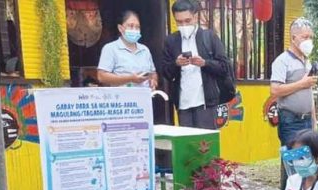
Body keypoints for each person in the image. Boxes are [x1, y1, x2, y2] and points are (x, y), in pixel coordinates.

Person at [161, 0, 230, 129]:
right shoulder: (171, 41)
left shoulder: (209, 37)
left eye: (187, 21)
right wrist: (176, 64)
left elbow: (224, 67)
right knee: (187, 145)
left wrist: (205, 63)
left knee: (205, 145)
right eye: (179, 22)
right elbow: (165, 72)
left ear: (196, 16)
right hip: (183, 104)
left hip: (206, 103)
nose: (183, 25)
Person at [270, 17, 318, 190]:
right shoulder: (282, 61)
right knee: (294, 168)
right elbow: (275, 90)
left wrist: (314, 121)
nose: (309, 41)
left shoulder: (307, 61)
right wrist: (302, 83)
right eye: (305, 37)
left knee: (306, 167)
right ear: (293, 38)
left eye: (311, 37)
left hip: (306, 121)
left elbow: (309, 93)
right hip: (290, 121)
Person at [97, 11, 158, 89]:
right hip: (123, 98)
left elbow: (153, 73)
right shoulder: (110, 49)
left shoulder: (145, 50)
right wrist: (130, 79)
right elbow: (102, 76)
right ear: (120, 28)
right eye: (130, 26)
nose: (134, 30)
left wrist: (153, 80)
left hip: (144, 98)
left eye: (137, 27)